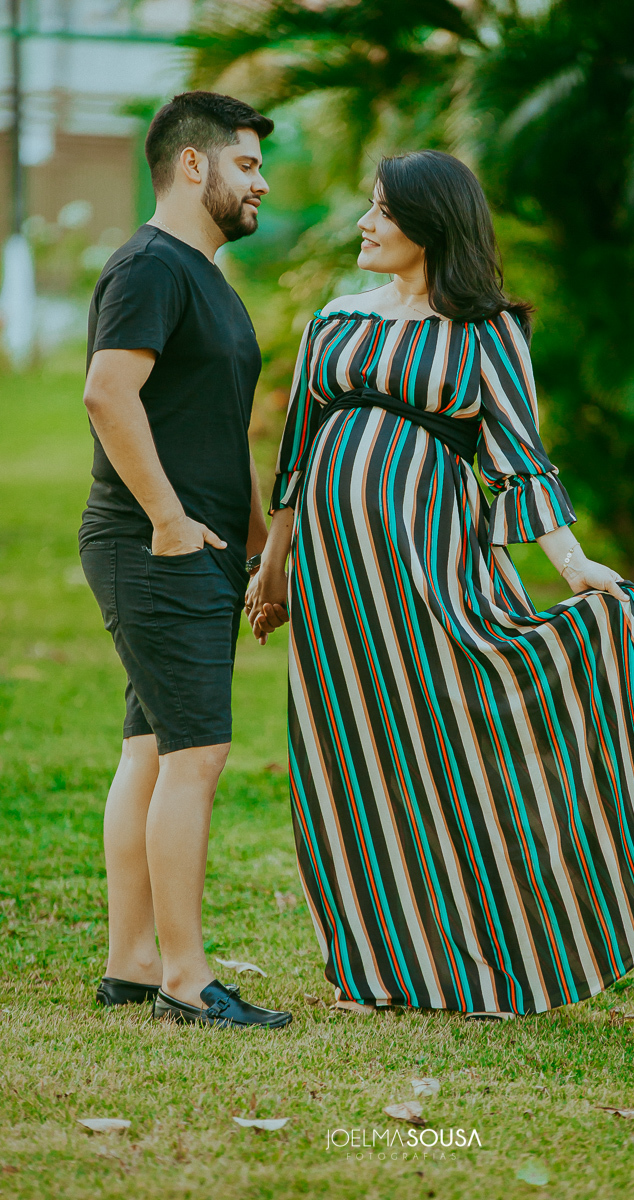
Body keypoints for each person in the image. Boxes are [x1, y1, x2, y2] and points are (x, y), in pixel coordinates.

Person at [247, 150, 634, 1018]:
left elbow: (517, 458)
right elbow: (297, 457)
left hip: (430, 567)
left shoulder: (486, 330)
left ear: (432, 225)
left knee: (458, 749)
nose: (365, 223)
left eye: (383, 210)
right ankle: (375, 968)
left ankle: (500, 952)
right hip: (336, 588)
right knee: (349, 761)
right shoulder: (335, 321)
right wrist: (273, 566)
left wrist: (573, 566)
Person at [80, 91, 291, 1029]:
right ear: (193, 164)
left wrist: (258, 552)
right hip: (153, 545)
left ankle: (132, 962)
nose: (261, 183)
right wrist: (167, 521)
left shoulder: (203, 276)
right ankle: (186, 977)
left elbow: (219, 430)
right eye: (247, 164)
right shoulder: (151, 266)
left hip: (195, 548)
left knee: (153, 750)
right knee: (197, 755)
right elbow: (107, 393)